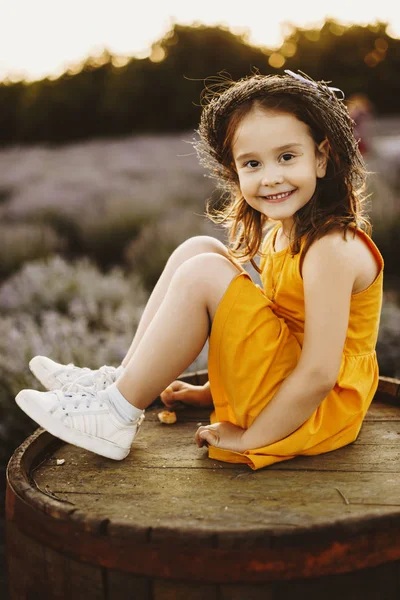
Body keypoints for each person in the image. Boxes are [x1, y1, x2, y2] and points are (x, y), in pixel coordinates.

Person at [15, 70, 384, 470]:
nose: (271, 176)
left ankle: (116, 414)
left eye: (287, 157)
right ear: (234, 171)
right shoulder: (282, 231)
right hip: (289, 385)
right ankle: (119, 383)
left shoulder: (331, 247)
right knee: (199, 248)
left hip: (320, 409)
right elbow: (280, 327)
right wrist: (211, 391)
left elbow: (317, 374)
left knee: (206, 271)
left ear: (322, 157)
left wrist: (249, 440)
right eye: (252, 163)